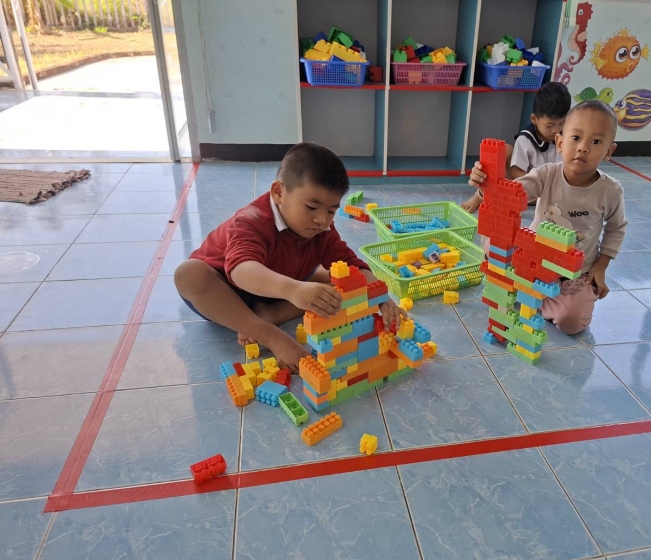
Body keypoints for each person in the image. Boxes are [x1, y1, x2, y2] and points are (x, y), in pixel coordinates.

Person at [174, 142, 405, 372]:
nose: (321, 220)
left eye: (331, 211)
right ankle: (265, 331)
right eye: (311, 207)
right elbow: (241, 271)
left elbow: (352, 264)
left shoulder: (322, 229)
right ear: (278, 192)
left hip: (282, 283)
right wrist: (294, 291)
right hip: (226, 291)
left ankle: (271, 313)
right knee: (189, 274)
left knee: (343, 281)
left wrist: (381, 296)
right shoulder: (251, 221)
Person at [469, 100, 627, 335]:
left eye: (595, 142)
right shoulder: (546, 174)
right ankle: (535, 291)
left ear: (608, 152)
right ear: (560, 142)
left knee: (571, 323)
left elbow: (616, 228)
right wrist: (486, 186)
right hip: (533, 258)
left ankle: (539, 294)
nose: (583, 148)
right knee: (494, 246)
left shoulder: (610, 191)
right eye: (576, 138)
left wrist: (601, 265)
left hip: (573, 272)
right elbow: (510, 194)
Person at [461, 81, 571, 213]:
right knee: (504, 151)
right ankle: (479, 196)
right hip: (527, 187)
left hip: (551, 192)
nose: (556, 130)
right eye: (549, 125)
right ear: (534, 119)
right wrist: (537, 184)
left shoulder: (566, 138)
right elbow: (516, 172)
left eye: (561, 123)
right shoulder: (525, 139)